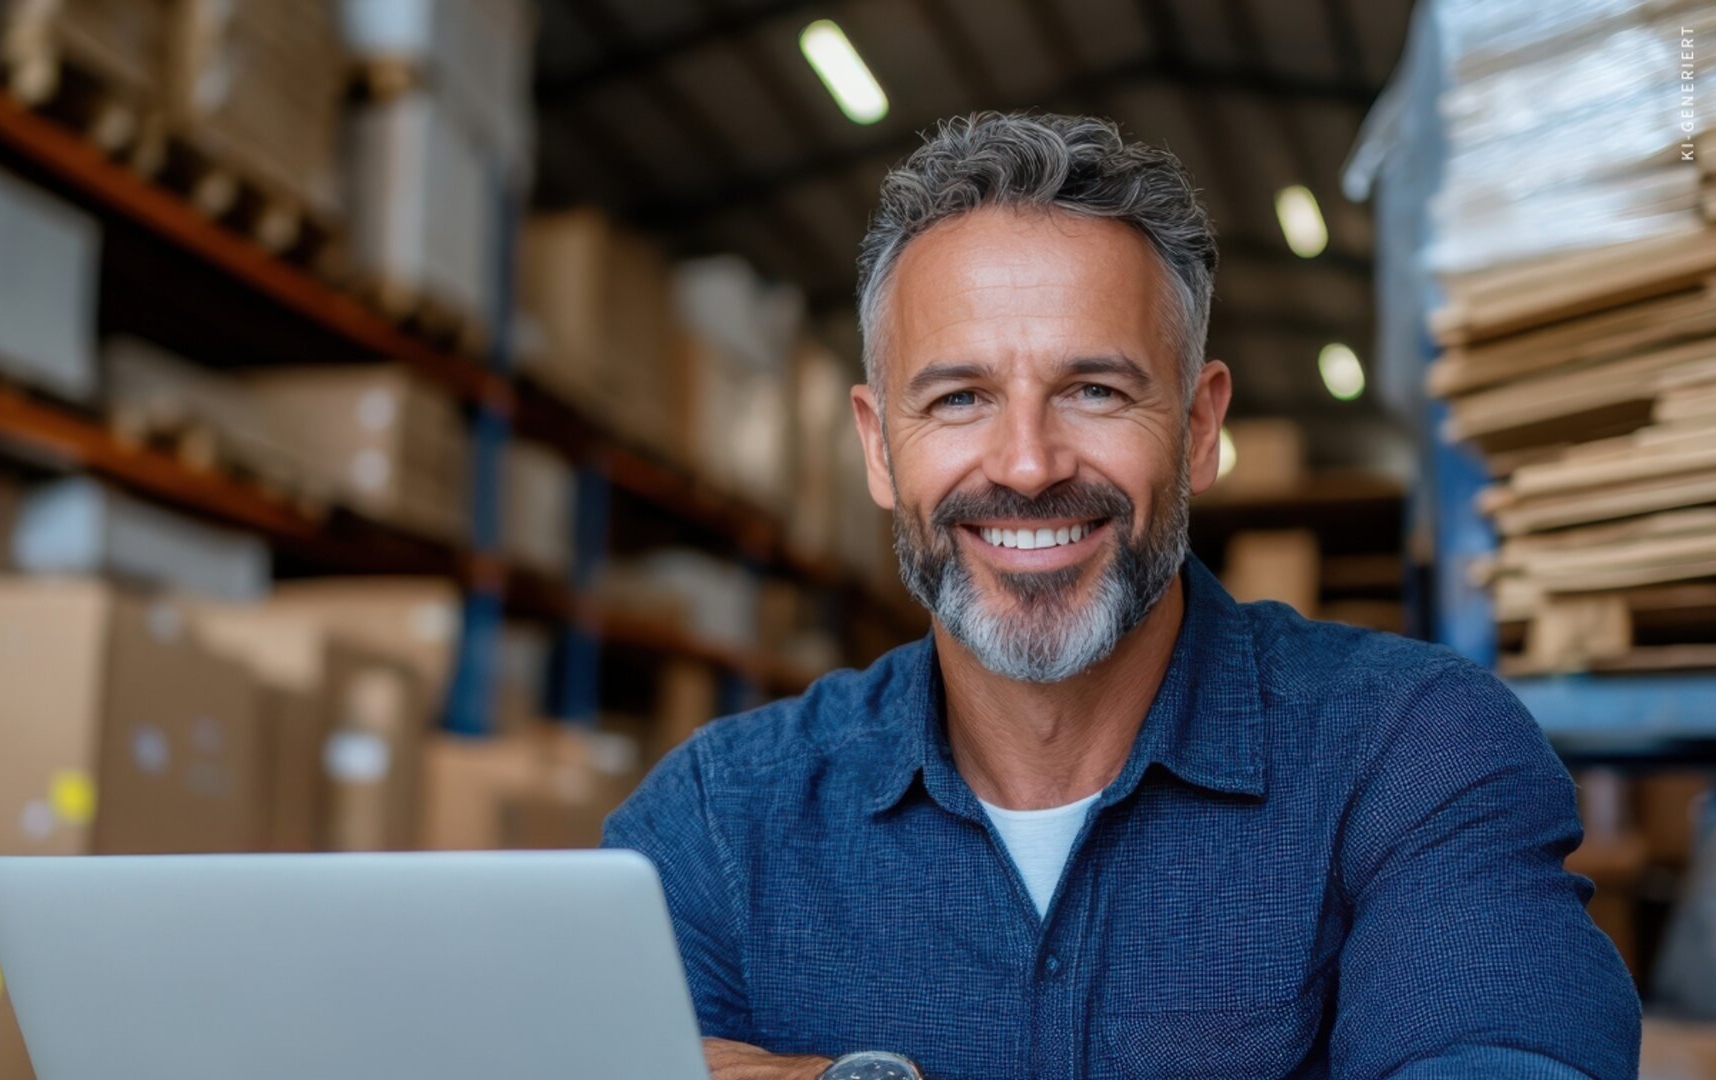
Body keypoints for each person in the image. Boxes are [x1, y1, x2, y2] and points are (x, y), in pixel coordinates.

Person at [602, 111, 1640, 1080]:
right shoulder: (717, 826)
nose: (1024, 464)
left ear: (1197, 426)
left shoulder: (1414, 755)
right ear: (879, 445)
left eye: (1093, 390)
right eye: (959, 398)